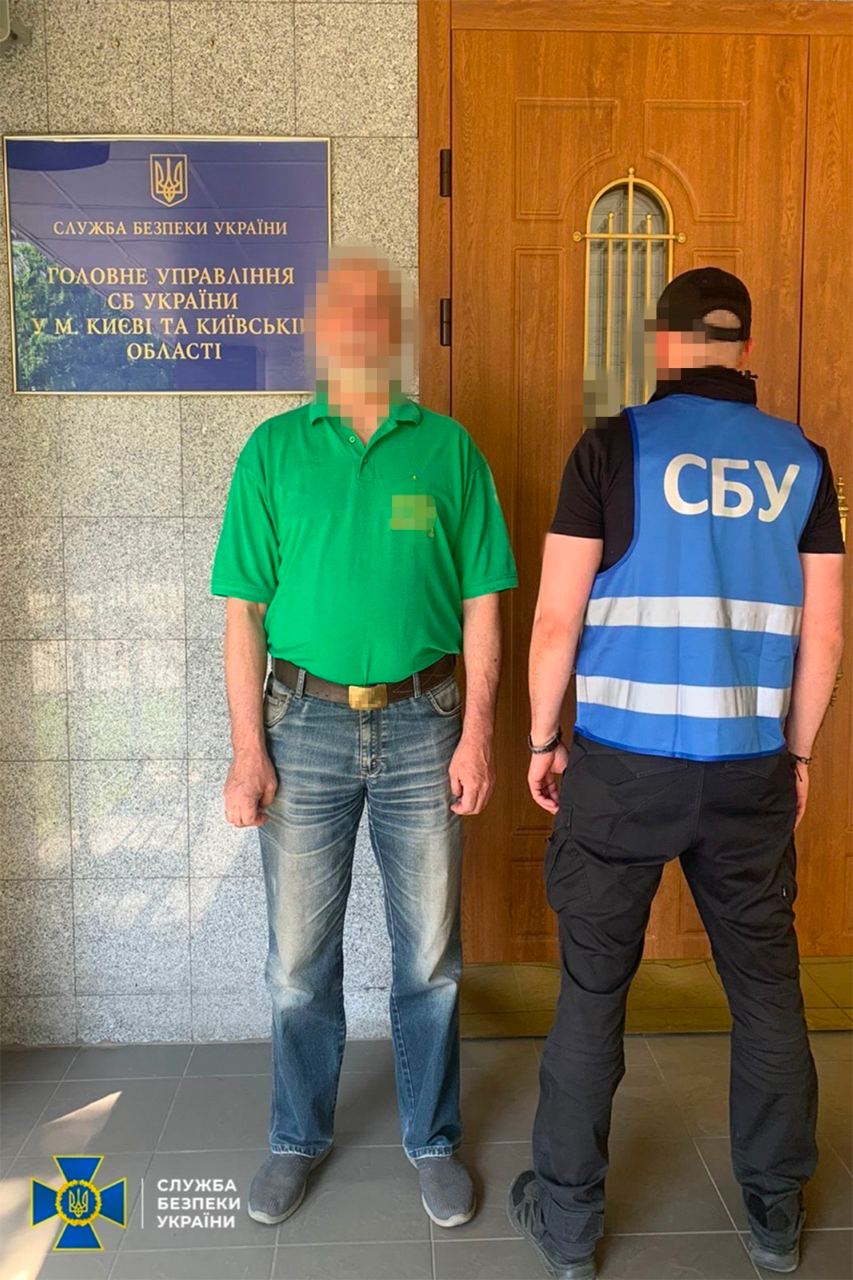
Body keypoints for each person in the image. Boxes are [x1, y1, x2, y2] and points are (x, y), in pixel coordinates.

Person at [508, 267, 845, 1279]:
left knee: (590, 993)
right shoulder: (801, 461)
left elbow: (557, 619)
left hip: (622, 771)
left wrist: (542, 739)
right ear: (744, 349)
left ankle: (568, 1222)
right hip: (746, 771)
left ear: (661, 344)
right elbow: (826, 633)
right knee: (766, 991)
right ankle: (775, 1214)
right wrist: (797, 752)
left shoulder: (613, 447)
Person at [210, 246, 518, 1229]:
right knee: (297, 961)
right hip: (300, 727)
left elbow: (482, 602)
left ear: (394, 330)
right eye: (339, 310)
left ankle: (432, 1138)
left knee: (428, 958)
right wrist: (247, 751)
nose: (356, 327)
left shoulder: (448, 450)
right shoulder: (272, 451)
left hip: (427, 725)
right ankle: (296, 1134)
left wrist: (477, 734)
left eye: (372, 310)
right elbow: (242, 614)